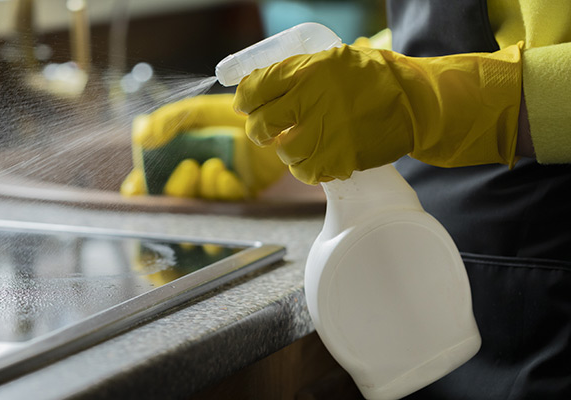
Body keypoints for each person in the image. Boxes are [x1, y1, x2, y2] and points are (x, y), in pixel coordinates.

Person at [123, 0, 571, 398]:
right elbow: (454, 34)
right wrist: (304, 119)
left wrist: (439, 99)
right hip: (420, 290)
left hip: (550, 293)